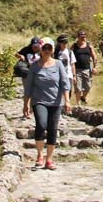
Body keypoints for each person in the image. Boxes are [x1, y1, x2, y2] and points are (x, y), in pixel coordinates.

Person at [23, 37, 72, 170]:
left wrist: (67, 100)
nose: (46, 50)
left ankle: (49, 159)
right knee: (41, 124)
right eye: (44, 48)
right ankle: (39, 155)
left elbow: (64, 83)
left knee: (53, 129)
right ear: (40, 49)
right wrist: (26, 103)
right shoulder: (34, 66)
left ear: (52, 49)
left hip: (56, 102)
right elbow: (28, 87)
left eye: (49, 48)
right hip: (39, 100)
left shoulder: (58, 64)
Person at [71, 29, 99, 105]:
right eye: (81, 36)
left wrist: (95, 66)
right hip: (77, 70)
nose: (83, 38)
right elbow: (69, 56)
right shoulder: (74, 46)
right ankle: (78, 104)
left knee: (88, 87)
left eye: (84, 36)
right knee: (78, 88)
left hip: (87, 69)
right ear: (78, 37)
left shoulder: (89, 45)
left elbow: (94, 56)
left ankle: (83, 97)